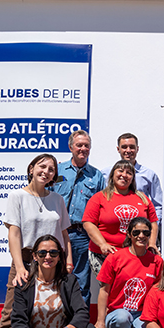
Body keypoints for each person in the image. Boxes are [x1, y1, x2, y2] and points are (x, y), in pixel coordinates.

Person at [0, 154, 73, 328]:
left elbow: (64, 235)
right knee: (10, 316)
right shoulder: (17, 196)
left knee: (46, 313)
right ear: (32, 168)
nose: (46, 171)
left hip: (51, 262)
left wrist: (67, 261)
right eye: (42, 166)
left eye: (51, 169)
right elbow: (14, 234)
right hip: (25, 260)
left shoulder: (57, 199)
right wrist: (20, 266)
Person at [95, 217, 164, 328]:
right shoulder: (115, 257)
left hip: (141, 314)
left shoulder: (156, 261)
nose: (141, 236)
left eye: (145, 232)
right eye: (136, 232)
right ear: (129, 234)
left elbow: (159, 293)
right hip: (118, 313)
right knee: (122, 318)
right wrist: (100, 321)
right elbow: (104, 290)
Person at [52, 130, 106, 307]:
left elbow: (101, 207)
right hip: (56, 234)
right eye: (79, 145)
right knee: (54, 278)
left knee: (81, 282)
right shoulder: (57, 170)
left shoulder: (96, 176)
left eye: (86, 146)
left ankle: (79, 326)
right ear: (70, 147)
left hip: (82, 236)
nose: (83, 149)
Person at [83, 160, 159, 279]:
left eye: (129, 173)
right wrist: (102, 244)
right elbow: (89, 223)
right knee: (110, 291)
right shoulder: (99, 197)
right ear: (112, 174)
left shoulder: (143, 198)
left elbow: (153, 222)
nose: (124, 175)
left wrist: (152, 243)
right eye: (120, 171)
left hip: (135, 255)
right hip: (105, 255)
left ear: (133, 178)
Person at [104, 133, 163, 223]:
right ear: (118, 149)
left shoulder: (149, 175)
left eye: (132, 147)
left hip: (141, 231)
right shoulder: (106, 174)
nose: (128, 150)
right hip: (113, 228)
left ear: (137, 149)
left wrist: (152, 227)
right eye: (124, 147)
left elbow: (158, 205)